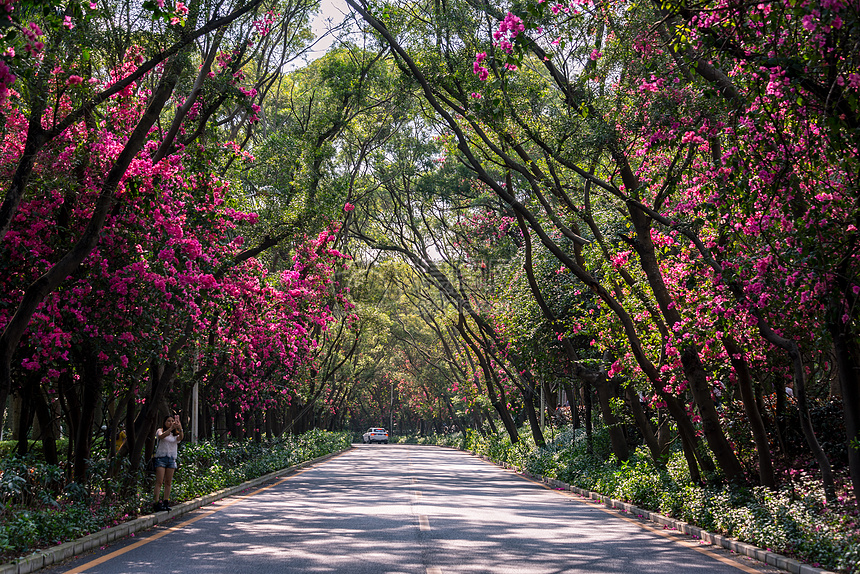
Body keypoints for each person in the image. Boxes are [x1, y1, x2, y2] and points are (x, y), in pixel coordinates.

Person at [153, 414, 183, 512]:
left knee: (168, 482)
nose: (170, 423)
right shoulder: (160, 431)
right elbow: (161, 437)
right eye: (168, 421)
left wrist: (180, 427)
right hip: (161, 458)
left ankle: (166, 502)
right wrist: (171, 429)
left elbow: (180, 438)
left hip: (171, 459)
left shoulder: (176, 434)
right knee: (159, 482)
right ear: (164, 422)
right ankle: (156, 503)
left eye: (172, 421)